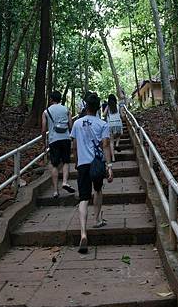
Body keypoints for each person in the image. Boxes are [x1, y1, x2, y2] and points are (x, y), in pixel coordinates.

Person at [70, 92, 113, 253]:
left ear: (86, 106)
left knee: (83, 198)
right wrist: (109, 167)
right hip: (97, 164)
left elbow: (73, 147)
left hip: (83, 164)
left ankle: (83, 233)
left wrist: (75, 162)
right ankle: (97, 219)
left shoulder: (77, 123)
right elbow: (106, 146)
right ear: (97, 108)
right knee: (98, 189)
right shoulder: (103, 124)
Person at [41, 90, 75, 198]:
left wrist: (44, 142)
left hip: (53, 140)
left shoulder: (46, 112)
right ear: (60, 99)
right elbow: (70, 125)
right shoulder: (66, 109)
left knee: (54, 164)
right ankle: (65, 182)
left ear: (51, 99)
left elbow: (43, 129)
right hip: (65, 139)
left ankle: (55, 190)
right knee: (66, 161)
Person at [103, 93, 123, 161]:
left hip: (110, 124)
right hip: (118, 123)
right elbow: (121, 114)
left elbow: (103, 114)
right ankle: (117, 144)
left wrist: (106, 116)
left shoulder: (108, 106)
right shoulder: (117, 106)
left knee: (111, 142)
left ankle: (113, 158)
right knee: (119, 134)